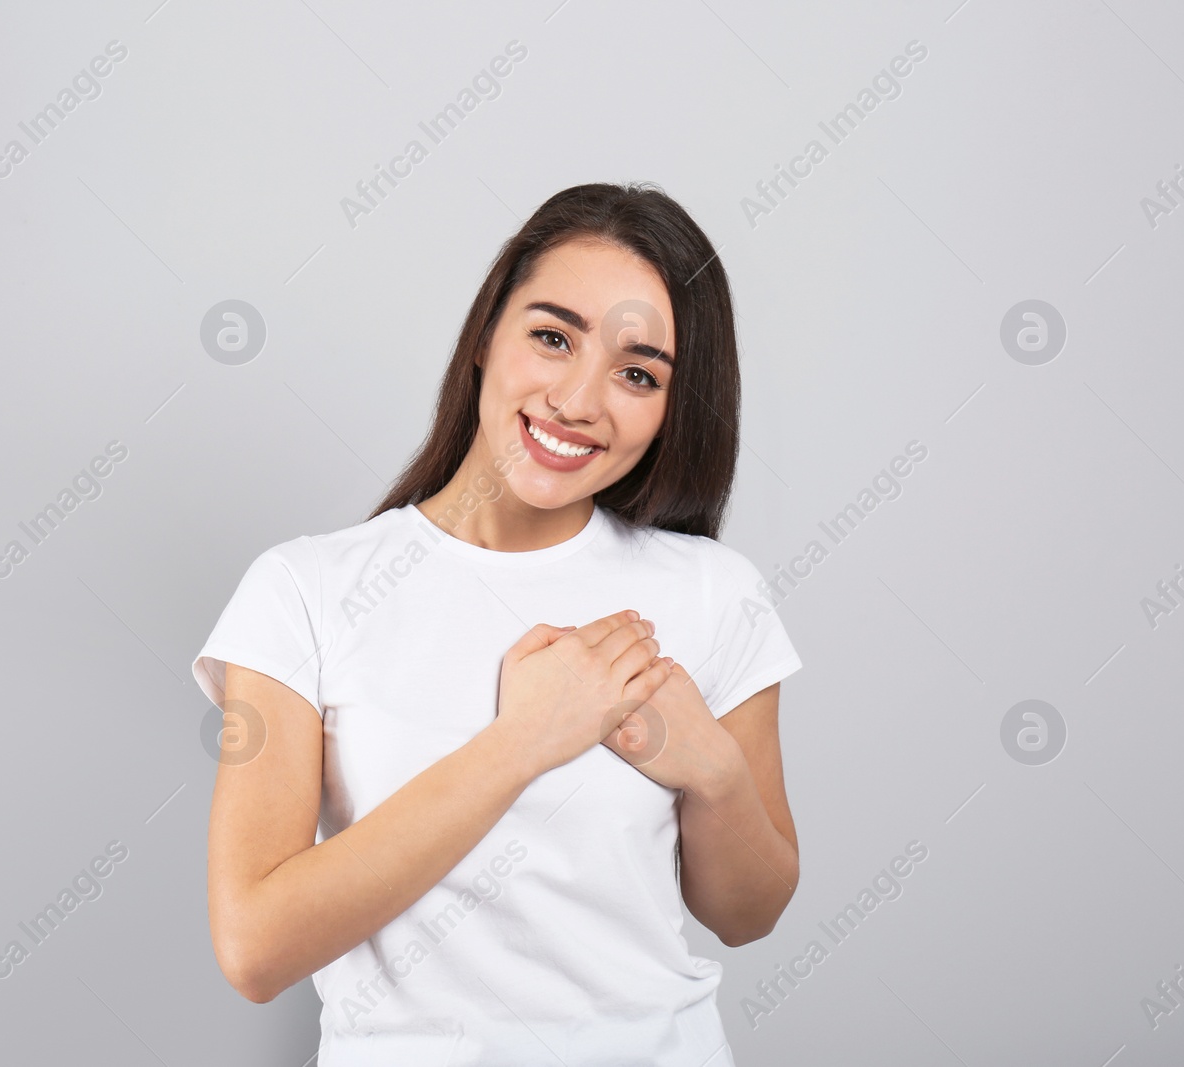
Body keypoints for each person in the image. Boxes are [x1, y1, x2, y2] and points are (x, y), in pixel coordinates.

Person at [191, 181, 804, 1066]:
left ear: (674, 405)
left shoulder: (715, 594)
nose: (578, 399)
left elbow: (748, 914)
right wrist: (524, 741)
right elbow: (256, 947)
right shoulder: (304, 590)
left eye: (639, 374)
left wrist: (717, 777)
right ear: (487, 336)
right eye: (553, 337)